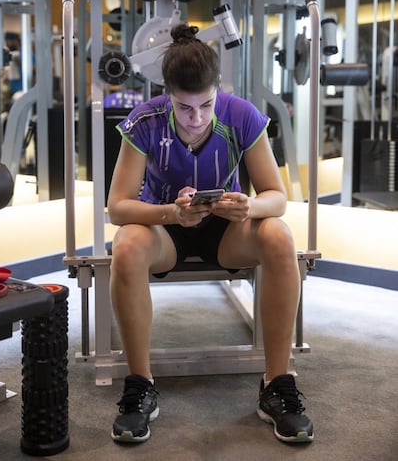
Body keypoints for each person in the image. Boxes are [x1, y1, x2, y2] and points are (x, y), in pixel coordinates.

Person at [107, 23, 314, 445]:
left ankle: (277, 384)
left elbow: (277, 197)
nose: (197, 119)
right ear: (167, 94)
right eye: (185, 108)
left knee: (279, 235)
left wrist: (249, 205)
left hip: (227, 230)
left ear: (218, 90)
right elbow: (118, 207)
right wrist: (170, 212)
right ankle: (140, 385)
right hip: (166, 229)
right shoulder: (145, 121)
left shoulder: (241, 115)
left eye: (206, 105)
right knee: (126, 244)